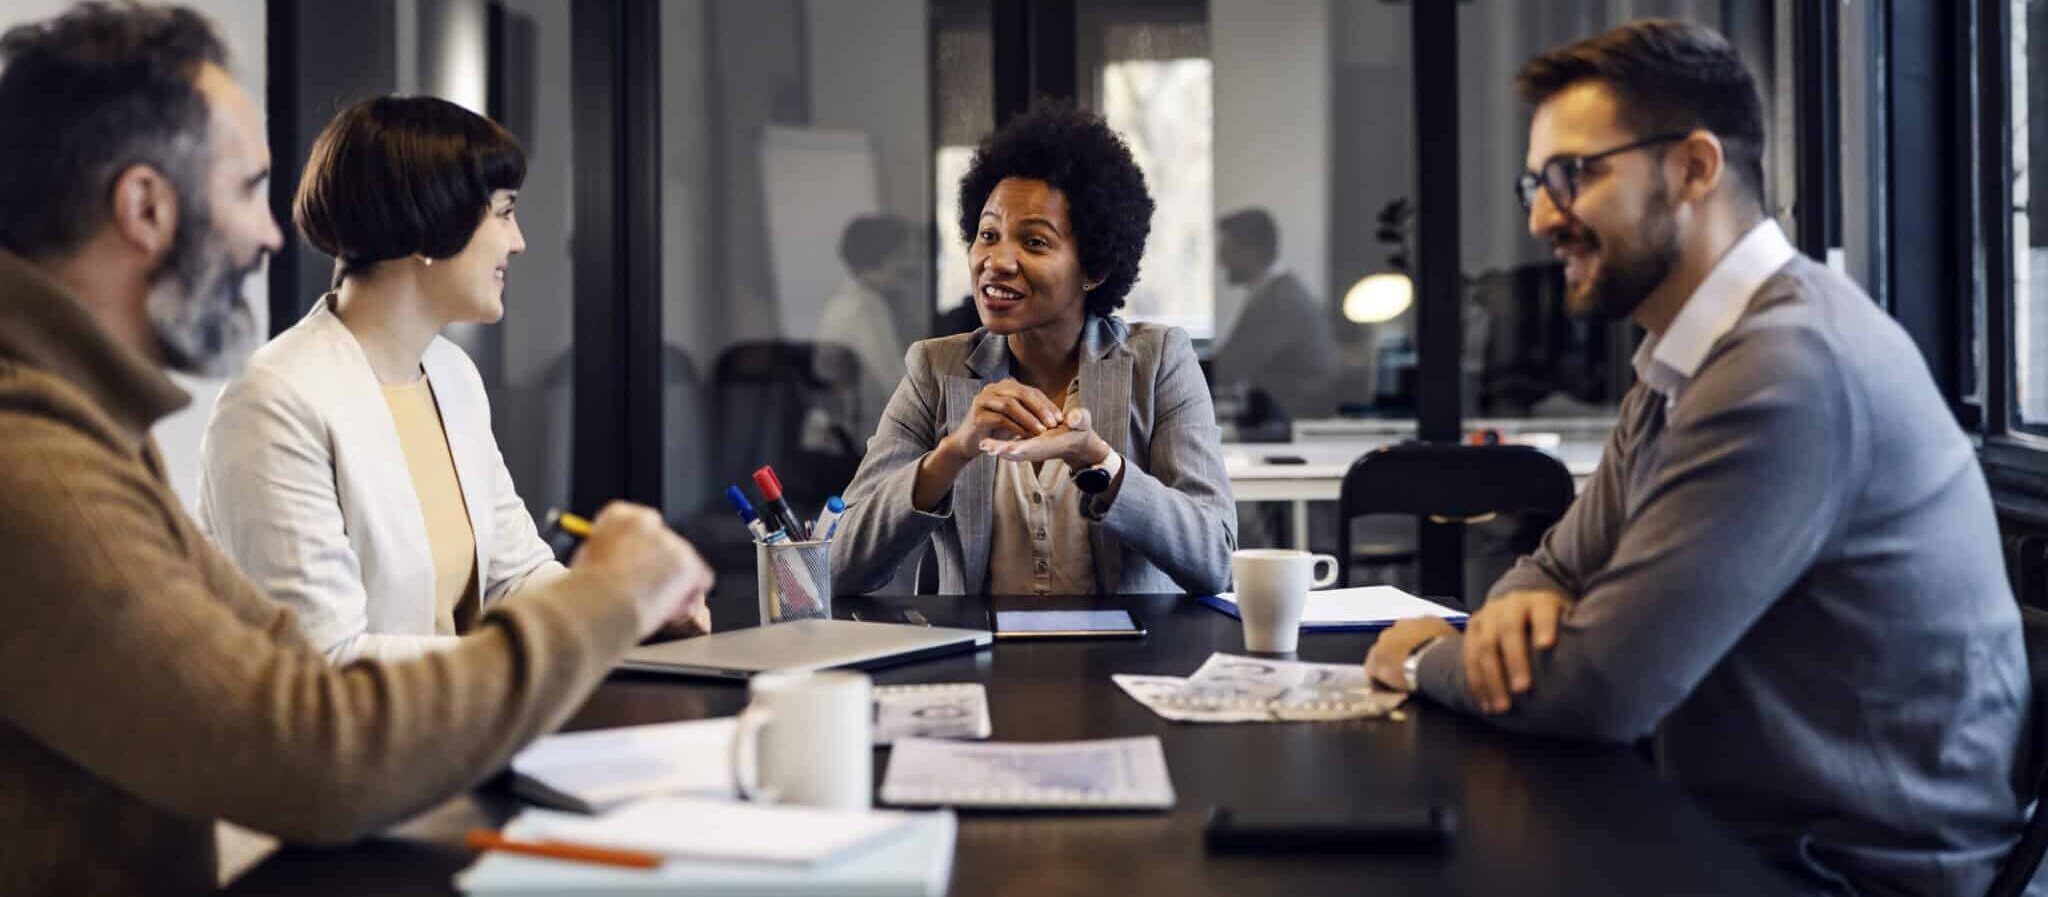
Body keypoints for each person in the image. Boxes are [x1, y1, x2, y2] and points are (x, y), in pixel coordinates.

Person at [0, 5, 712, 893]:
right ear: (145, 206)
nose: (272, 233)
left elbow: (277, 660)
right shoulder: (38, 464)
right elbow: (313, 745)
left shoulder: (88, 429)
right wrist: (603, 602)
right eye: (247, 190)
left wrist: (614, 606)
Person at [1361, 21, 2031, 896]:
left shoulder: (1786, 368)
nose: (1538, 217)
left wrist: (1421, 653)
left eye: (1574, 174)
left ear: (1694, 168)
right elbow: (1557, 561)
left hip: (1842, 874)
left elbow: (1598, 690)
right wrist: (1522, 602)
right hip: (1726, 832)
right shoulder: (1685, 356)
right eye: (1536, 181)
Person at [196, 96, 708, 662]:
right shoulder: (273, 399)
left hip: (459, 734)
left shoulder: (450, 373)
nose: (518, 241)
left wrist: (630, 609)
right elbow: (324, 658)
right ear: (431, 225)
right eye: (505, 212)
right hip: (357, 744)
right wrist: (554, 640)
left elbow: (513, 577)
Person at [833, 105, 1235, 597]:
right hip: (983, 663)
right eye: (988, 235)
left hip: (1127, 661)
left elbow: (1216, 559)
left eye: (1035, 242)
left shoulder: (1158, 361)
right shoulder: (935, 369)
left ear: (1094, 268)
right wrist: (952, 453)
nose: (996, 262)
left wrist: (1102, 465)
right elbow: (837, 566)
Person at [1208, 207, 1340, 421]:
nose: (1220, 261)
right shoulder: (1274, 292)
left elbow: (1230, 367)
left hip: (1296, 421)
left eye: (1226, 250)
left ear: (1251, 251)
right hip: (1283, 416)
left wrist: (1173, 372)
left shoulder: (1280, 301)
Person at [816, 214, 916, 438]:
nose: (910, 264)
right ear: (882, 257)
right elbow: (894, 384)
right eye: (903, 255)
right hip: (865, 438)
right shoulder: (865, 307)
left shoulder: (845, 300)